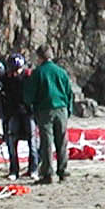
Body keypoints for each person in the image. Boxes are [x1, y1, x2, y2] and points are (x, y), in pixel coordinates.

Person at [24, 47, 76, 184]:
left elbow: (29, 95)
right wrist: (68, 110)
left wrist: (30, 106)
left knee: (47, 142)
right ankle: (63, 171)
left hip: (45, 110)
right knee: (62, 141)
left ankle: (47, 174)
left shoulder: (37, 73)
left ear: (40, 57)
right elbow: (69, 93)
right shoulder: (62, 72)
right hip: (62, 109)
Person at [0, 52, 36, 179]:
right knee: (11, 141)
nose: (15, 73)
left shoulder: (28, 77)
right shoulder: (6, 78)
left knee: (32, 141)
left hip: (28, 113)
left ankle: (33, 169)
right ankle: (14, 170)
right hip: (13, 113)